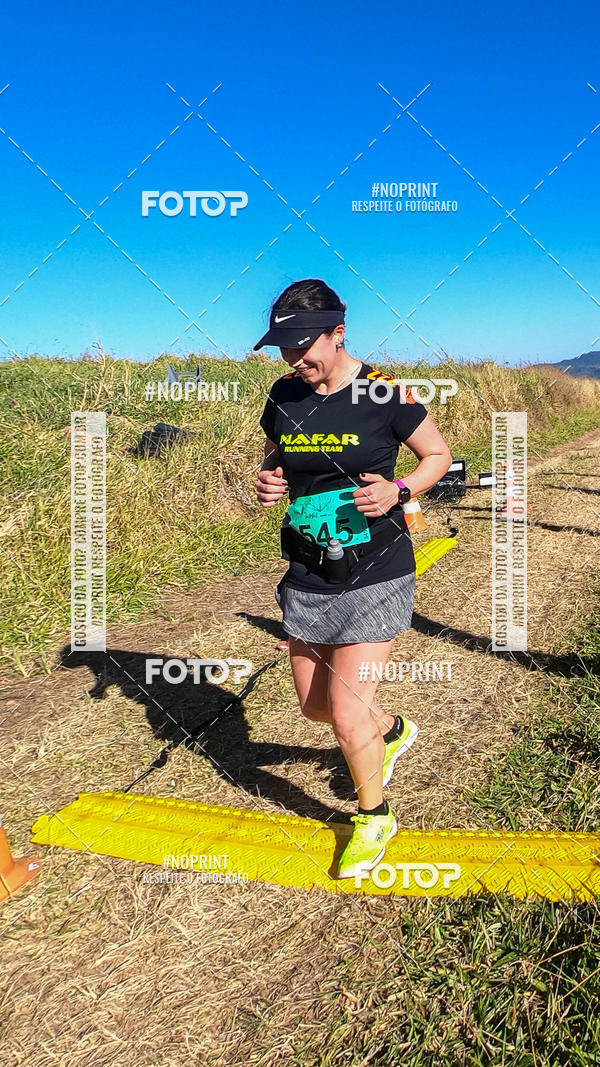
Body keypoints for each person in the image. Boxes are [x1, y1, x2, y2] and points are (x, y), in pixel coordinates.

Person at [254, 278, 452, 880]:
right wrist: (269, 482)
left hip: (377, 571)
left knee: (344, 711)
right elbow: (275, 456)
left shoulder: (385, 392)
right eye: (284, 349)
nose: (295, 360)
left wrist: (398, 490)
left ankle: (374, 817)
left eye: (304, 346)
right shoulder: (284, 395)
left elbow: (436, 458)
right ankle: (389, 730)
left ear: (339, 333)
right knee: (315, 708)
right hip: (310, 566)